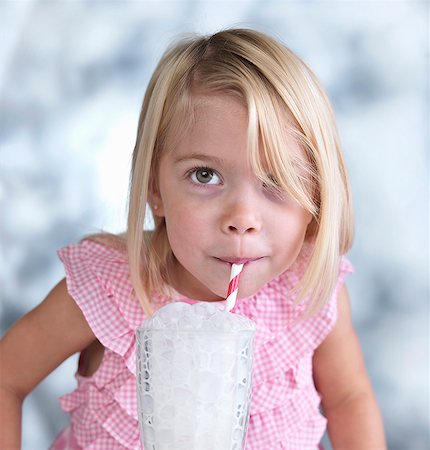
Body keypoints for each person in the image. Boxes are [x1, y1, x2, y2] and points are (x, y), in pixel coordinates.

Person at [0, 28, 386, 449]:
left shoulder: (307, 289)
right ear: (155, 188)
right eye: (205, 175)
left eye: (277, 180)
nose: (242, 219)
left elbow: (349, 400)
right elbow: (7, 379)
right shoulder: (112, 288)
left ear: (316, 194)